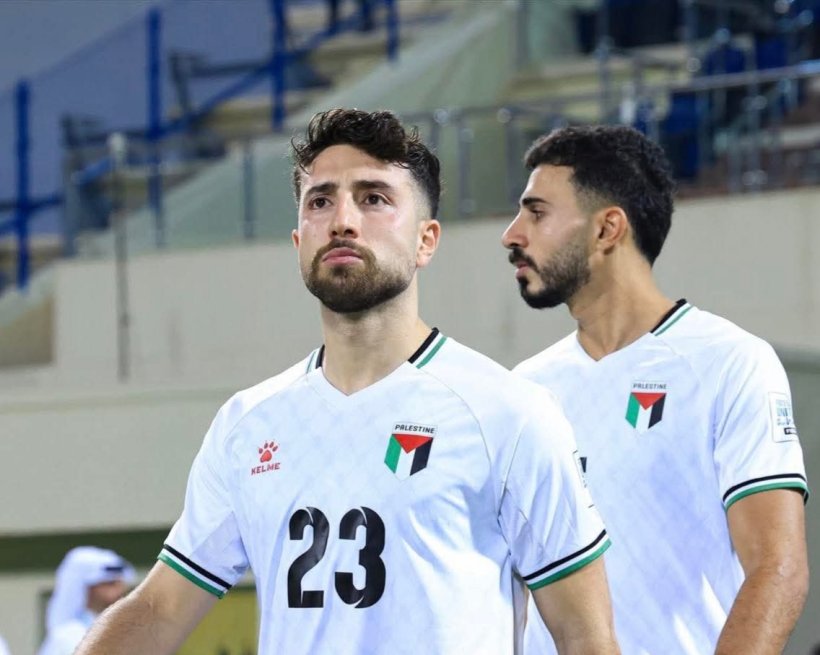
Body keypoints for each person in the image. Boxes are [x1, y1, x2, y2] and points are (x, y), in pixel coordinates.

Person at [76, 109, 620, 655]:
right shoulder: (247, 424)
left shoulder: (509, 413)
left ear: (426, 240)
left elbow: (585, 638)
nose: (342, 220)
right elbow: (159, 610)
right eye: (320, 201)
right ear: (298, 242)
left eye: (373, 198)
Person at [501, 124, 810, 654]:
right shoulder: (523, 390)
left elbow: (777, 568)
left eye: (537, 213)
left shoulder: (728, 363)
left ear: (607, 229)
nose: (512, 235)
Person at [38, 547, 134, 655]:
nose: (120, 590)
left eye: (120, 583)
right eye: (110, 584)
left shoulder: (128, 632)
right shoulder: (69, 637)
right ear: (87, 589)